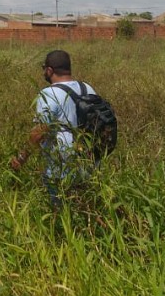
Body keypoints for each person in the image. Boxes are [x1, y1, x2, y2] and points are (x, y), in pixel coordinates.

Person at [10, 49, 99, 210]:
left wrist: (22, 158)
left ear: (49, 70)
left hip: (61, 164)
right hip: (88, 159)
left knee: (60, 209)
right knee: (84, 206)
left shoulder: (49, 94)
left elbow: (39, 133)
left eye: (44, 68)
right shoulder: (87, 88)